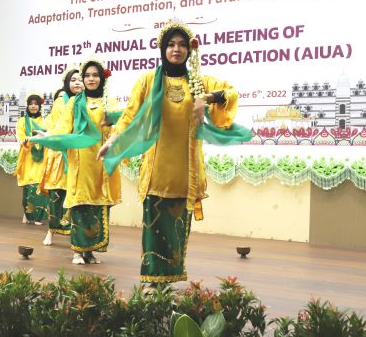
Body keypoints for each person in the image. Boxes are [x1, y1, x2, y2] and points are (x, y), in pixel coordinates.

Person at [97, 20, 251, 284]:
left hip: (186, 172)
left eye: (181, 45)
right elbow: (130, 115)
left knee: (177, 231)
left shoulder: (199, 82)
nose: (176, 49)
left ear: (189, 51)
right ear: (162, 49)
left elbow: (233, 93)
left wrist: (207, 98)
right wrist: (113, 140)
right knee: (154, 230)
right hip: (157, 171)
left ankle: (169, 280)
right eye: (171, 44)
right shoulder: (147, 80)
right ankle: (151, 282)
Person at [32, 59, 121, 264]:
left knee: (97, 206)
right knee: (80, 204)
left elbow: (120, 125)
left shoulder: (110, 102)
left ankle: (90, 252)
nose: (90, 79)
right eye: (87, 76)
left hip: (102, 161)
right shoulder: (74, 102)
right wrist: (48, 136)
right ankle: (77, 251)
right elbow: (63, 127)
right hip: (80, 161)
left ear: (102, 78)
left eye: (95, 75)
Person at [38, 69, 83, 246]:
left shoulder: (87, 101)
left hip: (79, 155)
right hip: (60, 156)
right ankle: (51, 231)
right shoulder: (59, 103)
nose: (78, 83)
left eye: (81, 79)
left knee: (77, 196)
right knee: (57, 195)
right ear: (67, 83)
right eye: (74, 80)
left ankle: (78, 236)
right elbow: (55, 127)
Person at [14, 93, 49, 225]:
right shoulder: (22, 121)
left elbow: (48, 136)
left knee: (40, 185)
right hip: (28, 156)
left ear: (39, 106)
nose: (33, 106)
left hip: (42, 156)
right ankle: (28, 214)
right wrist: (28, 140)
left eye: (36, 104)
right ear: (27, 106)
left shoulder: (45, 121)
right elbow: (21, 137)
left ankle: (38, 217)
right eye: (31, 103)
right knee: (29, 186)